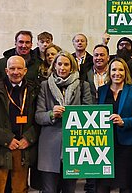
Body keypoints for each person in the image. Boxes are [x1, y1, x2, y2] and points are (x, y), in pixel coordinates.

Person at [35, 51, 93, 193]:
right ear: (54, 66)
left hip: (74, 145)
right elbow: (38, 116)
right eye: (59, 64)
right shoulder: (45, 86)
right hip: (49, 146)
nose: (62, 68)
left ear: (72, 67)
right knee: (49, 190)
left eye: (66, 64)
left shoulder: (82, 85)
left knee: (69, 189)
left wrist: (73, 114)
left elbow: (89, 114)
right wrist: (51, 114)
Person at [0, 56, 39, 193]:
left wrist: (28, 139)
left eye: (19, 68)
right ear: (6, 71)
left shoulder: (33, 90)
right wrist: (7, 139)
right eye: (12, 68)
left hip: (23, 147)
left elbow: (39, 120)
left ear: (25, 71)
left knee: (20, 188)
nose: (15, 72)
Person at [96, 58, 132, 193]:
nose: (117, 73)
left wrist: (124, 122)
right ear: (109, 72)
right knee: (103, 185)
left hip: (127, 145)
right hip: (105, 145)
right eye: (114, 69)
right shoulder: (102, 90)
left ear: (125, 72)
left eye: (121, 69)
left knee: (125, 185)